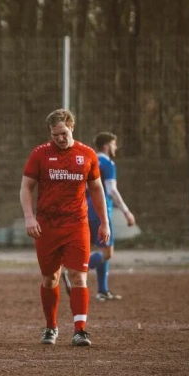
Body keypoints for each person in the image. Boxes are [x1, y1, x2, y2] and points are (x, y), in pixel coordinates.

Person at [20, 109, 111, 347]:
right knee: (50, 279)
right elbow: (26, 187)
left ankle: (80, 330)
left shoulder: (87, 154)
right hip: (47, 226)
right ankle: (51, 327)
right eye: (54, 134)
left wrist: (104, 222)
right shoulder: (40, 154)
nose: (59, 138)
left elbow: (97, 189)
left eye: (63, 133)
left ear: (72, 127)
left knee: (78, 276)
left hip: (76, 224)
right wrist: (30, 217)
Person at [82, 132, 135, 301]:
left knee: (101, 250)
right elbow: (111, 190)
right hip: (102, 210)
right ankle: (76, 269)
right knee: (107, 253)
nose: (115, 147)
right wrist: (126, 211)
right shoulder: (107, 163)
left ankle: (103, 290)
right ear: (106, 146)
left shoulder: (88, 160)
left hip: (86, 209)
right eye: (113, 144)